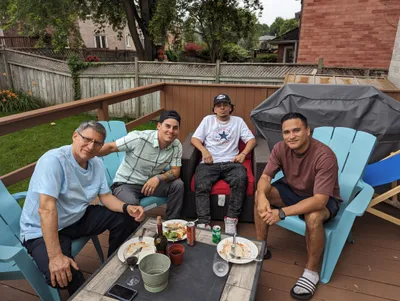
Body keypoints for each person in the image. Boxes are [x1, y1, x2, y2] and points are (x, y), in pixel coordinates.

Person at [20, 121, 145, 297]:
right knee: (65, 274)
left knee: (124, 218)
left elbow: (106, 197)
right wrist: (56, 256)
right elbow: (46, 210)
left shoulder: (96, 164)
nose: (91, 146)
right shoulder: (53, 161)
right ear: (75, 136)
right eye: (87, 139)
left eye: (97, 143)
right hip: (41, 230)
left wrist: (127, 207)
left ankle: (113, 268)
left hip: (76, 218)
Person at [255, 112, 341, 300]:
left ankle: (311, 272)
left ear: (308, 131)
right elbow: (265, 178)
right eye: (286, 132)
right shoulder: (280, 148)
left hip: (322, 198)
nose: (291, 136)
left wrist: (282, 213)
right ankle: (261, 247)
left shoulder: (324, 156)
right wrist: (261, 195)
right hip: (292, 191)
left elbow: (320, 201)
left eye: (296, 130)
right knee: (261, 194)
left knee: (313, 216)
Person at [98, 110, 184, 220]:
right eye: (167, 126)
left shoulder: (176, 145)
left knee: (178, 185)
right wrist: (87, 152)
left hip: (151, 185)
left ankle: (172, 223)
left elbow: (176, 171)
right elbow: (111, 147)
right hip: (126, 184)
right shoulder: (139, 138)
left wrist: (158, 178)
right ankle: (135, 235)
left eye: (175, 128)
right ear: (158, 126)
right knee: (133, 207)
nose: (171, 131)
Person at [191, 93, 256, 234]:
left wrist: (243, 154)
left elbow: (252, 140)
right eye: (218, 106)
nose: (222, 108)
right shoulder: (207, 120)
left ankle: (231, 219)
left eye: (225, 105)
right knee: (201, 183)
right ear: (214, 109)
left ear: (230, 108)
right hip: (209, 162)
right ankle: (203, 222)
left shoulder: (238, 122)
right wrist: (204, 151)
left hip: (231, 163)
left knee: (240, 179)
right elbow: (195, 139)